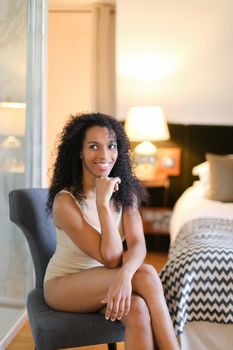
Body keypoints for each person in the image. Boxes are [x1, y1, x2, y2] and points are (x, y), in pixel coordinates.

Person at [44, 112, 179, 350]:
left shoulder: (127, 193)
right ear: (79, 151)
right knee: (146, 275)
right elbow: (112, 257)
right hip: (65, 285)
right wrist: (103, 204)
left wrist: (125, 276)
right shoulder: (65, 203)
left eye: (111, 146)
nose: (104, 155)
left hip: (108, 281)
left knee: (137, 309)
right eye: (94, 146)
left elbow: (138, 244)